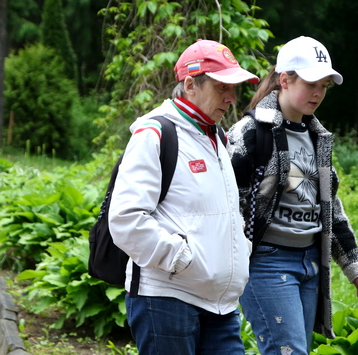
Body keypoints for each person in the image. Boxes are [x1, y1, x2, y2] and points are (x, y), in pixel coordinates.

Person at [227, 36, 358, 355]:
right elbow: (225, 202)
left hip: (311, 263)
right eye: (311, 83)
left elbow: (331, 210)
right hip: (266, 263)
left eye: (324, 85)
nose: (318, 93)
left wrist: (356, 270)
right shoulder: (250, 133)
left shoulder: (318, 137)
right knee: (289, 350)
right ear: (284, 79)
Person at [108, 39, 258, 354]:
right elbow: (125, 219)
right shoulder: (155, 134)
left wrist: (239, 252)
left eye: (234, 90)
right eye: (222, 88)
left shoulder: (217, 136)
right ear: (190, 84)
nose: (232, 99)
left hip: (221, 305)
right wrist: (182, 259)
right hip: (166, 300)